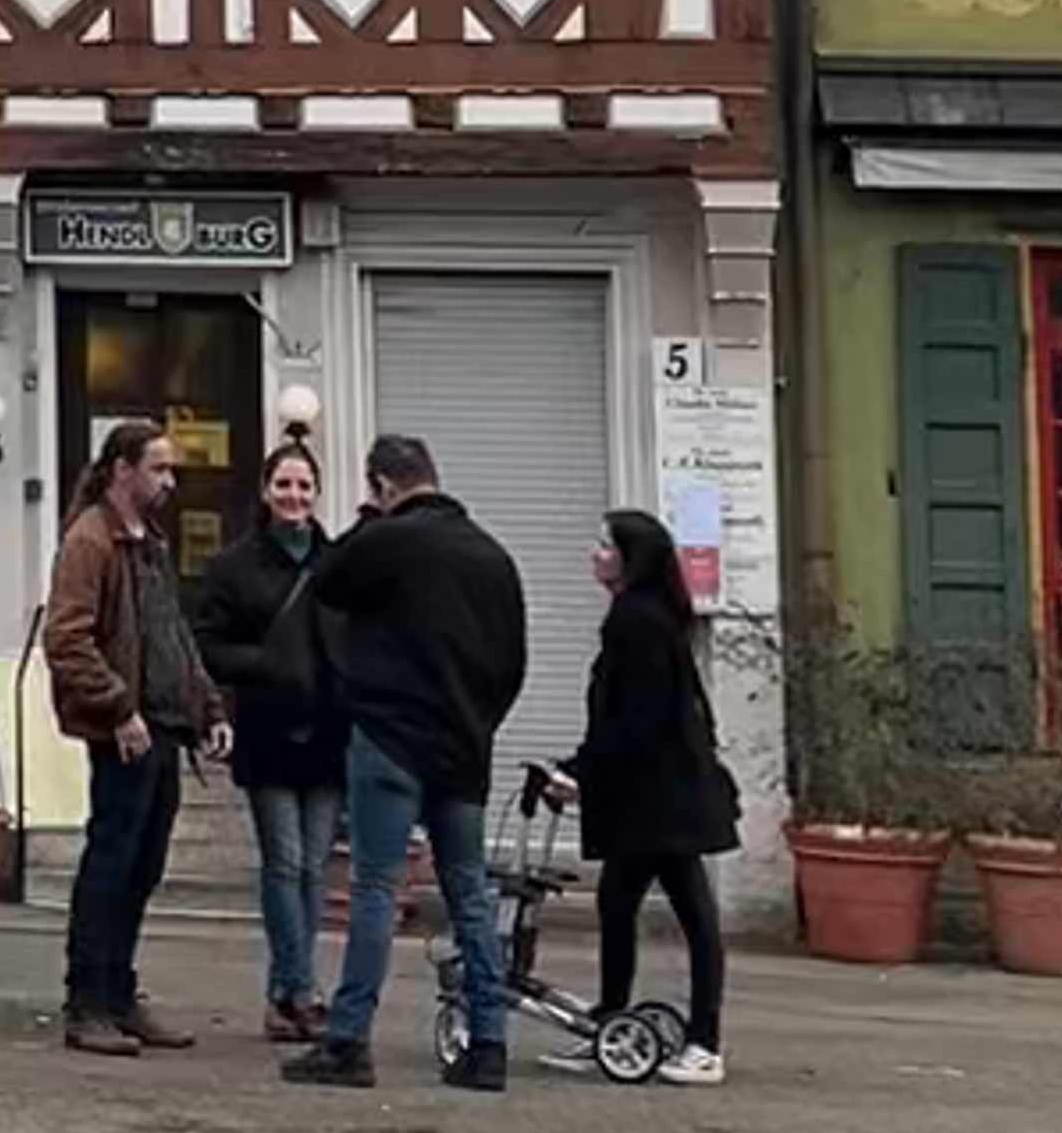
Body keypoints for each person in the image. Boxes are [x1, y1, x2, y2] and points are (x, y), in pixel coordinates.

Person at [279, 425, 528, 1090]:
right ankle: (489, 1046)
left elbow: (326, 579)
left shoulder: (386, 538)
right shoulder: (492, 556)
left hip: (390, 738)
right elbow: (513, 662)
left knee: (374, 887)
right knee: (469, 892)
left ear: (383, 486)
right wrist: (478, 721)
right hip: (465, 746)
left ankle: (349, 1041)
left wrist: (366, 521)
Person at [525, 510, 734, 1085]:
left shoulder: (636, 622)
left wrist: (581, 772)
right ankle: (610, 1024)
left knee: (690, 909)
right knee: (618, 904)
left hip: (660, 796)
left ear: (628, 559)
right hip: (651, 793)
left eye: (603, 545)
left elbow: (636, 720)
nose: (593, 553)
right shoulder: (646, 617)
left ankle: (704, 1041)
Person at [41, 429, 229, 1058]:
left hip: (164, 727)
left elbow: (172, 634)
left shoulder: (150, 543)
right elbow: (66, 639)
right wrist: (118, 708)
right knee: (111, 862)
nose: (170, 482)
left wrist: (207, 708)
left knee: (142, 867)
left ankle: (119, 993)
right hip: (125, 731)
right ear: (123, 470)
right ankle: (87, 1001)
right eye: (160, 469)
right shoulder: (90, 541)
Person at [194, 436, 344, 1043]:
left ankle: (287, 995)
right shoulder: (233, 566)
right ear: (265, 491)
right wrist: (269, 663)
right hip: (268, 732)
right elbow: (208, 645)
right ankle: (301, 988)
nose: (294, 495)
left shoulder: (337, 562)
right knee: (285, 864)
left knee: (313, 868)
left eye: (304, 485)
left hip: (330, 734)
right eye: (283, 484)